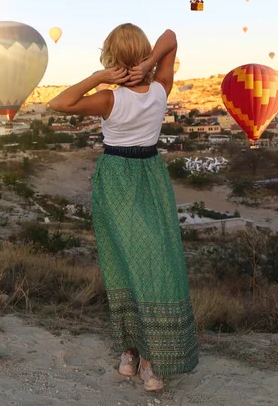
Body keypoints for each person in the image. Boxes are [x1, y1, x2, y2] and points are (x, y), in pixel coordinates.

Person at [50, 23, 198, 392]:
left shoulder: (109, 98)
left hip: (117, 176)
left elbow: (59, 103)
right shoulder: (162, 87)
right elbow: (171, 36)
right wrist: (151, 61)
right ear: (143, 53)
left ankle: (146, 358)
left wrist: (101, 76)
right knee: (140, 262)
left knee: (129, 265)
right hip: (149, 174)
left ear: (112, 59)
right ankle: (133, 351)